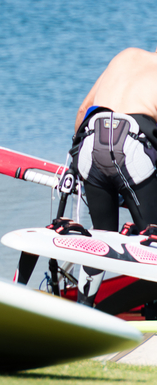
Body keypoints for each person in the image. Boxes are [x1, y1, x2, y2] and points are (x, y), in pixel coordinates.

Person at [68, 46, 157, 304]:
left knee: (101, 238)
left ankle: (84, 308)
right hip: (130, 149)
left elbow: (82, 110)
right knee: (151, 242)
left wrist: (76, 167)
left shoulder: (125, 55)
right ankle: (149, 313)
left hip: (89, 145)